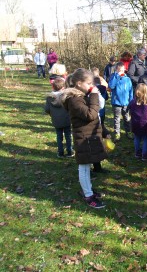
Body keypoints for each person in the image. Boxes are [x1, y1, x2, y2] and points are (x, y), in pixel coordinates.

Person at [61, 68, 108, 209]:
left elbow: (96, 118)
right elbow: (91, 115)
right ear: (79, 83)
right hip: (83, 138)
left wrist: (104, 131)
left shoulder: (82, 96)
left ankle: (88, 190)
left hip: (88, 137)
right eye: (88, 83)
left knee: (86, 166)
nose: (91, 86)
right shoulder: (74, 100)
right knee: (84, 168)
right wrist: (94, 96)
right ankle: (88, 195)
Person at [44, 77, 73, 158]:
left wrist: (52, 114)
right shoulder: (67, 97)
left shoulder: (49, 98)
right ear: (63, 87)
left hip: (56, 119)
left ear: (53, 87)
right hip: (66, 119)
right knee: (68, 135)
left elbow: (46, 109)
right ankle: (69, 151)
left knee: (59, 136)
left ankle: (60, 152)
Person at [128, 83, 147, 161]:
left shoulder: (133, 102)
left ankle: (137, 153)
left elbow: (130, 109)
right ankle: (144, 155)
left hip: (135, 123)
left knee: (137, 138)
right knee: (145, 139)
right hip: (145, 124)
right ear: (146, 91)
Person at [108, 61, 133, 141]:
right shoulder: (113, 77)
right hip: (116, 102)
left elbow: (130, 90)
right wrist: (117, 76)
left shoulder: (127, 79)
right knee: (117, 119)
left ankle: (128, 132)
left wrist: (131, 101)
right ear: (116, 70)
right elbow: (111, 86)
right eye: (119, 70)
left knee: (126, 118)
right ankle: (117, 134)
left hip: (126, 103)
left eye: (122, 70)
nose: (121, 72)